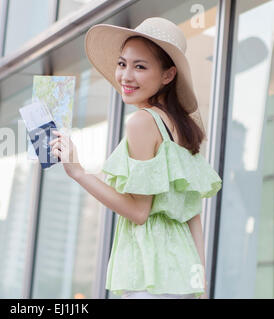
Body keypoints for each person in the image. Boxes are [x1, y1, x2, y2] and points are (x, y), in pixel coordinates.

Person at [49, 17, 223, 299]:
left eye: (139, 66)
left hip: (150, 278)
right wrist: (200, 286)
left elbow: (139, 212)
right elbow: (193, 217)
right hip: (180, 279)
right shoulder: (183, 130)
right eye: (122, 64)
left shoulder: (142, 123)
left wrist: (78, 171)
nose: (126, 77)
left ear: (168, 75)